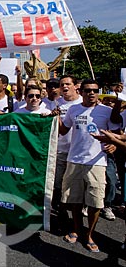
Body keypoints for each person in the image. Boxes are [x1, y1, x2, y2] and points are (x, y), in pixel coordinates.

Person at [59, 79, 121, 253]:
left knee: (95, 203)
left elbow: (117, 134)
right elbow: (64, 130)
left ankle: (89, 234)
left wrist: (114, 145)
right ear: (82, 91)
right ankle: (77, 229)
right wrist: (56, 116)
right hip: (74, 160)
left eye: (95, 90)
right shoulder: (73, 109)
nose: (91, 93)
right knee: (75, 200)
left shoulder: (106, 111)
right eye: (88, 90)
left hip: (97, 162)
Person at [51, 75, 83, 229]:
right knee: (59, 185)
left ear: (76, 86)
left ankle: (77, 218)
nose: (64, 87)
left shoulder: (83, 103)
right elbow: (61, 130)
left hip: (79, 153)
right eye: (62, 84)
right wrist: (54, 116)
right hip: (61, 151)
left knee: (77, 187)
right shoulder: (56, 103)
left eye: (68, 84)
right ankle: (61, 212)